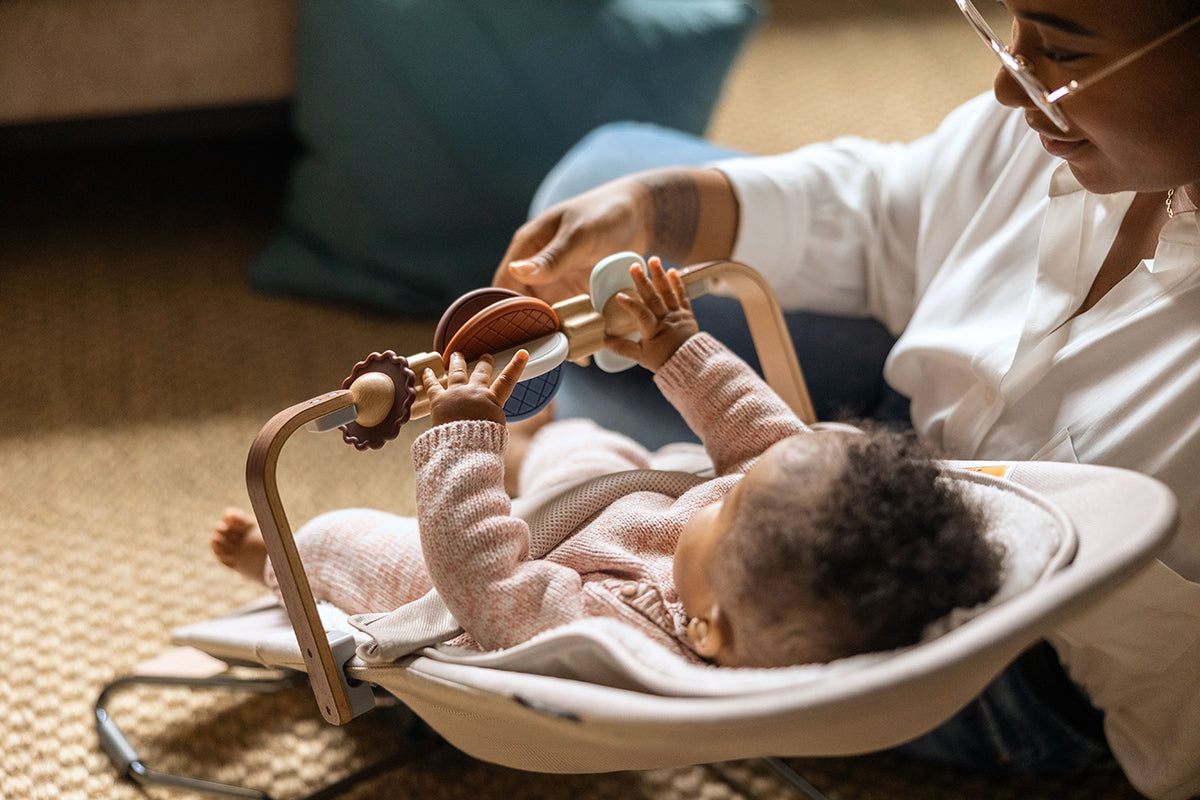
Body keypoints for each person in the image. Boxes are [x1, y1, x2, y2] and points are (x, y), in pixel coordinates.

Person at [490, 1, 1200, 797]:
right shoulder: (1044, 121)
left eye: (1062, 50)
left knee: (600, 559)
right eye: (1006, 25)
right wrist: (658, 211)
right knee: (600, 185)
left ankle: (548, 463)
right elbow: (894, 205)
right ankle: (568, 448)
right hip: (917, 446)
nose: (1008, 83)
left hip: (1016, 642)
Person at [213, 257, 1001, 669]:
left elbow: (488, 585)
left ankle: (278, 567)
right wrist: (678, 349)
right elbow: (767, 445)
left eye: (726, 508)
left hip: (488, 567)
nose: (721, 493)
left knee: (348, 541)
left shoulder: (611, 637)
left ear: (707, 627)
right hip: (611, 501)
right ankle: (529, 447)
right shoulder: (754, 565)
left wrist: (462, 440)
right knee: (590, 446)